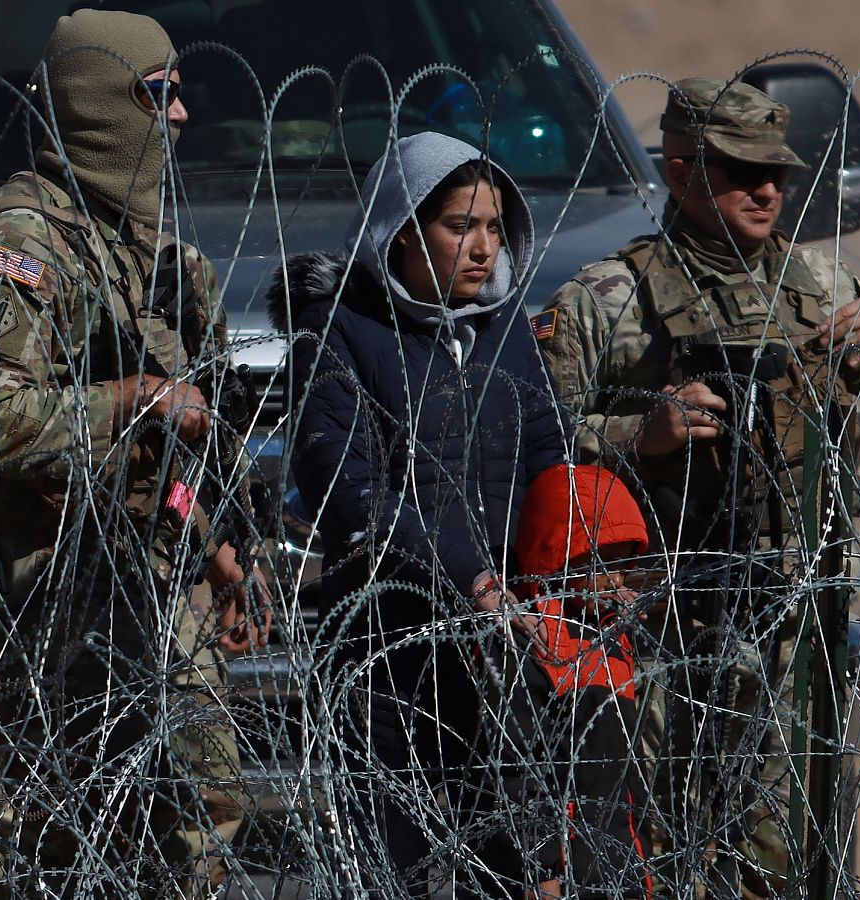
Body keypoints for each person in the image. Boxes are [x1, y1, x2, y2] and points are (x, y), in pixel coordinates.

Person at [534, 77, 860, 899]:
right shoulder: (606, 301)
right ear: (680, 171)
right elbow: (531, 450)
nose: (768, 189)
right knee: (647, 851)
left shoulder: (828, 296)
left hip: (791, 614)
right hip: (654, 614)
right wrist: (639, 435)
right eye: (740, 171)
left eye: (778, 174)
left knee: (780, 857)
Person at [0, 10, 269, 896]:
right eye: (159, 96)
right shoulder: (21, 250)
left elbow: (200, 433)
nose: (183, 116)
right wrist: (131, 400)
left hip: (152, 579)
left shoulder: (153, 257)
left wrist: (220, 547)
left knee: (203, 801)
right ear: (99, 111)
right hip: (51, 593)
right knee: (61, 830)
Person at [269, 131, 566, 898]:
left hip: (503, 651)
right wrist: (472, 579)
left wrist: (577, 568)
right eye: (460, 226)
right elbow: (351, 493)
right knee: (385, 868)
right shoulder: (339, 333)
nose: (482, 248)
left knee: (505, 870)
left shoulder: (504, 329)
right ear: (403, 230)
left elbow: (548, 454)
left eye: (495, 227)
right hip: (388, 650)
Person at [508, 462, 654, 900]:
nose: (614, 580)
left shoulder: (612, 638)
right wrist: (541, 869)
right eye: (598, 562)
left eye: (621, 562)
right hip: (570, 872)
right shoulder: (535, 644)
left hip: (622, 861)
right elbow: (519, 771)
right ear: (557, 557)